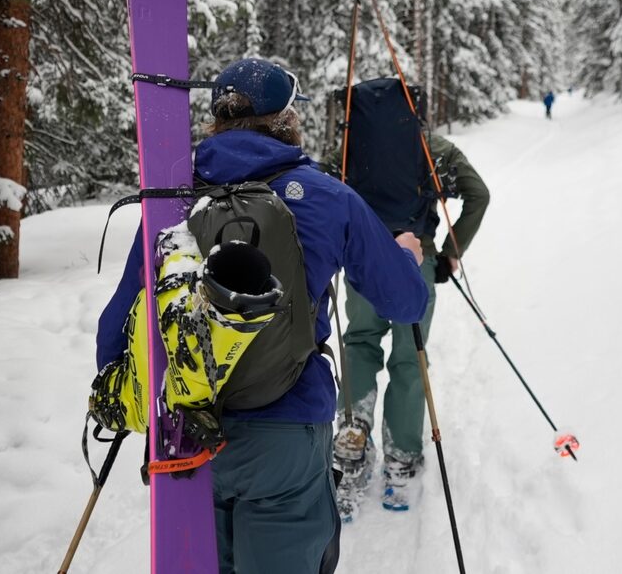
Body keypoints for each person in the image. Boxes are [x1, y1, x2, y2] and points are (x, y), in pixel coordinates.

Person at [95, 58, 429, 574]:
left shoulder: (172, 200)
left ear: (216, 120)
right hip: (286, 434)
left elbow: (118, 324)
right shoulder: (325, 195)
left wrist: (128, 401)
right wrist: (406, 252)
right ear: (287, 118)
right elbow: (405, 301)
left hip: (191, 436)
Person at [335, 132, 490, 515]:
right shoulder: (433, 148)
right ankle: (401, 459)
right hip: (416, 258)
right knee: (409, 355)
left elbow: (328, 191)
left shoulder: (353, 142)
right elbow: (478, 194)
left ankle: (353, 441)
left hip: (363, 260)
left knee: (360, 342)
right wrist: (451, 254)